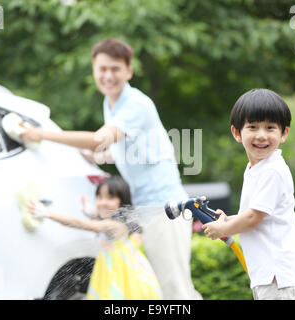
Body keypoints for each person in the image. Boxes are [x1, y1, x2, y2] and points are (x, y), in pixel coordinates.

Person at [20, 38, 201, 299]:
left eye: (115, 69)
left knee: (176, 289)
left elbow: (98, 138)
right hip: (144, 210)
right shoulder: (111, 104)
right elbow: (119, 148)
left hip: (166, 209)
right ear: (94, 70)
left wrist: (41, 134)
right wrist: (96, 156)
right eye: (102, 69)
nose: (108, 75)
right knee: (157, 289)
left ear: (129, 71)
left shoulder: (135, 104)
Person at [202, 89, 295, 300]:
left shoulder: (272, 170)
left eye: (270, 127)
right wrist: (229, 219)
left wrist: (222, 228)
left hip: (280, 279)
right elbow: (257, 216)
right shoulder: (255, 169)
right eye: (253, 127)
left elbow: (253, 219)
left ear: (284, 133)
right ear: (237, 132)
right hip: (268, 277)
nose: (261, 135)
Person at [27, 175, 162, 300]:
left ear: (122, 201)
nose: (102, 202)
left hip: (120, 276)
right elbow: (101, 223)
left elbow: (80, 224)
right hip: (117, 273)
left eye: (110, 198)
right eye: (99, 197)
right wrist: (92, 214)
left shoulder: (115, 226)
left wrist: (47, 214)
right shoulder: (121, 221)